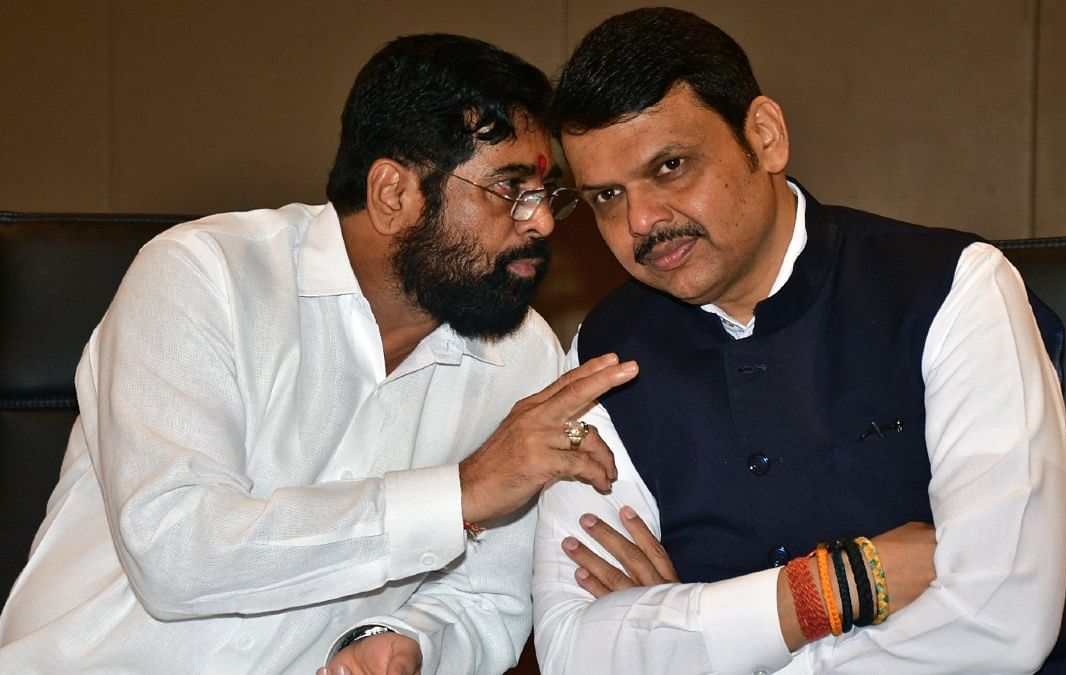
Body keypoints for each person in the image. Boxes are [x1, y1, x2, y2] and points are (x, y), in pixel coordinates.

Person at [532, 8, 1066, 674]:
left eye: (670, 166)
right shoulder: (605, 349)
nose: (640, 220)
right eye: (606, 196)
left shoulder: (953, 288)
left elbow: (999, 620)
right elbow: (573, 650)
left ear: (765, 137)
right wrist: (830, 590)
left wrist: (694, 638)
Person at [0, 34, 638, 675]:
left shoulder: (524, 355)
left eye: (545, 193)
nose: (542, 222)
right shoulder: (203, 276)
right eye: (510, 189)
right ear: (393, 193)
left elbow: (486, 597)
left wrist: (411, 640)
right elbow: (177, 552)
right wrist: (460, 494)